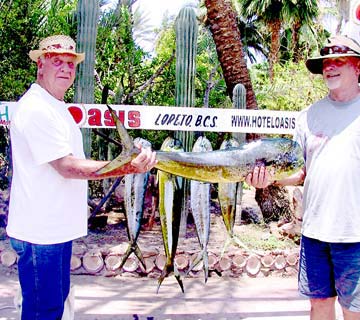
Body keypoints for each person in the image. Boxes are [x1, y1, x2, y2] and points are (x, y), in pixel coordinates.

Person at [6, 34, 157, 320]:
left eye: (70, 64)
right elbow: (66, 166)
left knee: (53, 305)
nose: (65, 69)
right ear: (40, 65)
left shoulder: (54, 105)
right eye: (56, 62)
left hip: (54, 231)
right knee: (43, 311)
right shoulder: (37, 108)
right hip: (41, 234)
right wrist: (128, 167)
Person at [246, 34, 360, 320]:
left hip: (355, 234)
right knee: (318, 307)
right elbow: (301, 171)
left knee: (354, 311)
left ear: (358, 67)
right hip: (315, 232)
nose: (330, 68)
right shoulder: (307, 116)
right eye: (325, 63)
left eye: (339, 61)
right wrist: (268, 179)